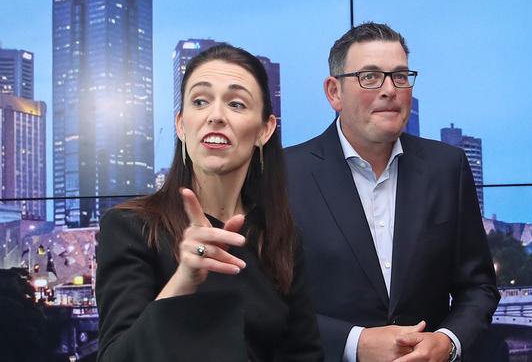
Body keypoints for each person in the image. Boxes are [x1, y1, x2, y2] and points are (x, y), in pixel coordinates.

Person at [285, 22, 500, 362]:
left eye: (400, 76)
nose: (389, 89)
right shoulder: (284, 175)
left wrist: (447, 342)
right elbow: (266, 303)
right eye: (370, 77)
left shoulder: (447, 167)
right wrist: (355, 343)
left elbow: (478, 288)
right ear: (334, 92)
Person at [96, 43, 323, 362]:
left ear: (265, 129)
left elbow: (304, 353)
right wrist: (186, 277)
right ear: (181, 124)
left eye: (237, 103)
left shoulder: (278, 237)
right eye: (200, 101)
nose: (215, 116)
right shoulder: (131, 228)